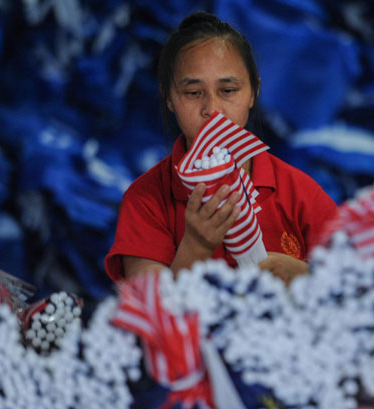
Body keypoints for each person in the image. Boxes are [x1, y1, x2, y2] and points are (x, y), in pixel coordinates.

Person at [104, 11, 338, 284]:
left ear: (253, 92)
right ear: (169, 97)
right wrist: (196, 246)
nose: (212, 111)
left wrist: (303, 275)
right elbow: (148, 314)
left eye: (228, 91)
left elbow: (357, 288)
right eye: (193, 93)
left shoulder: (299, 194)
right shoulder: (146, 200)